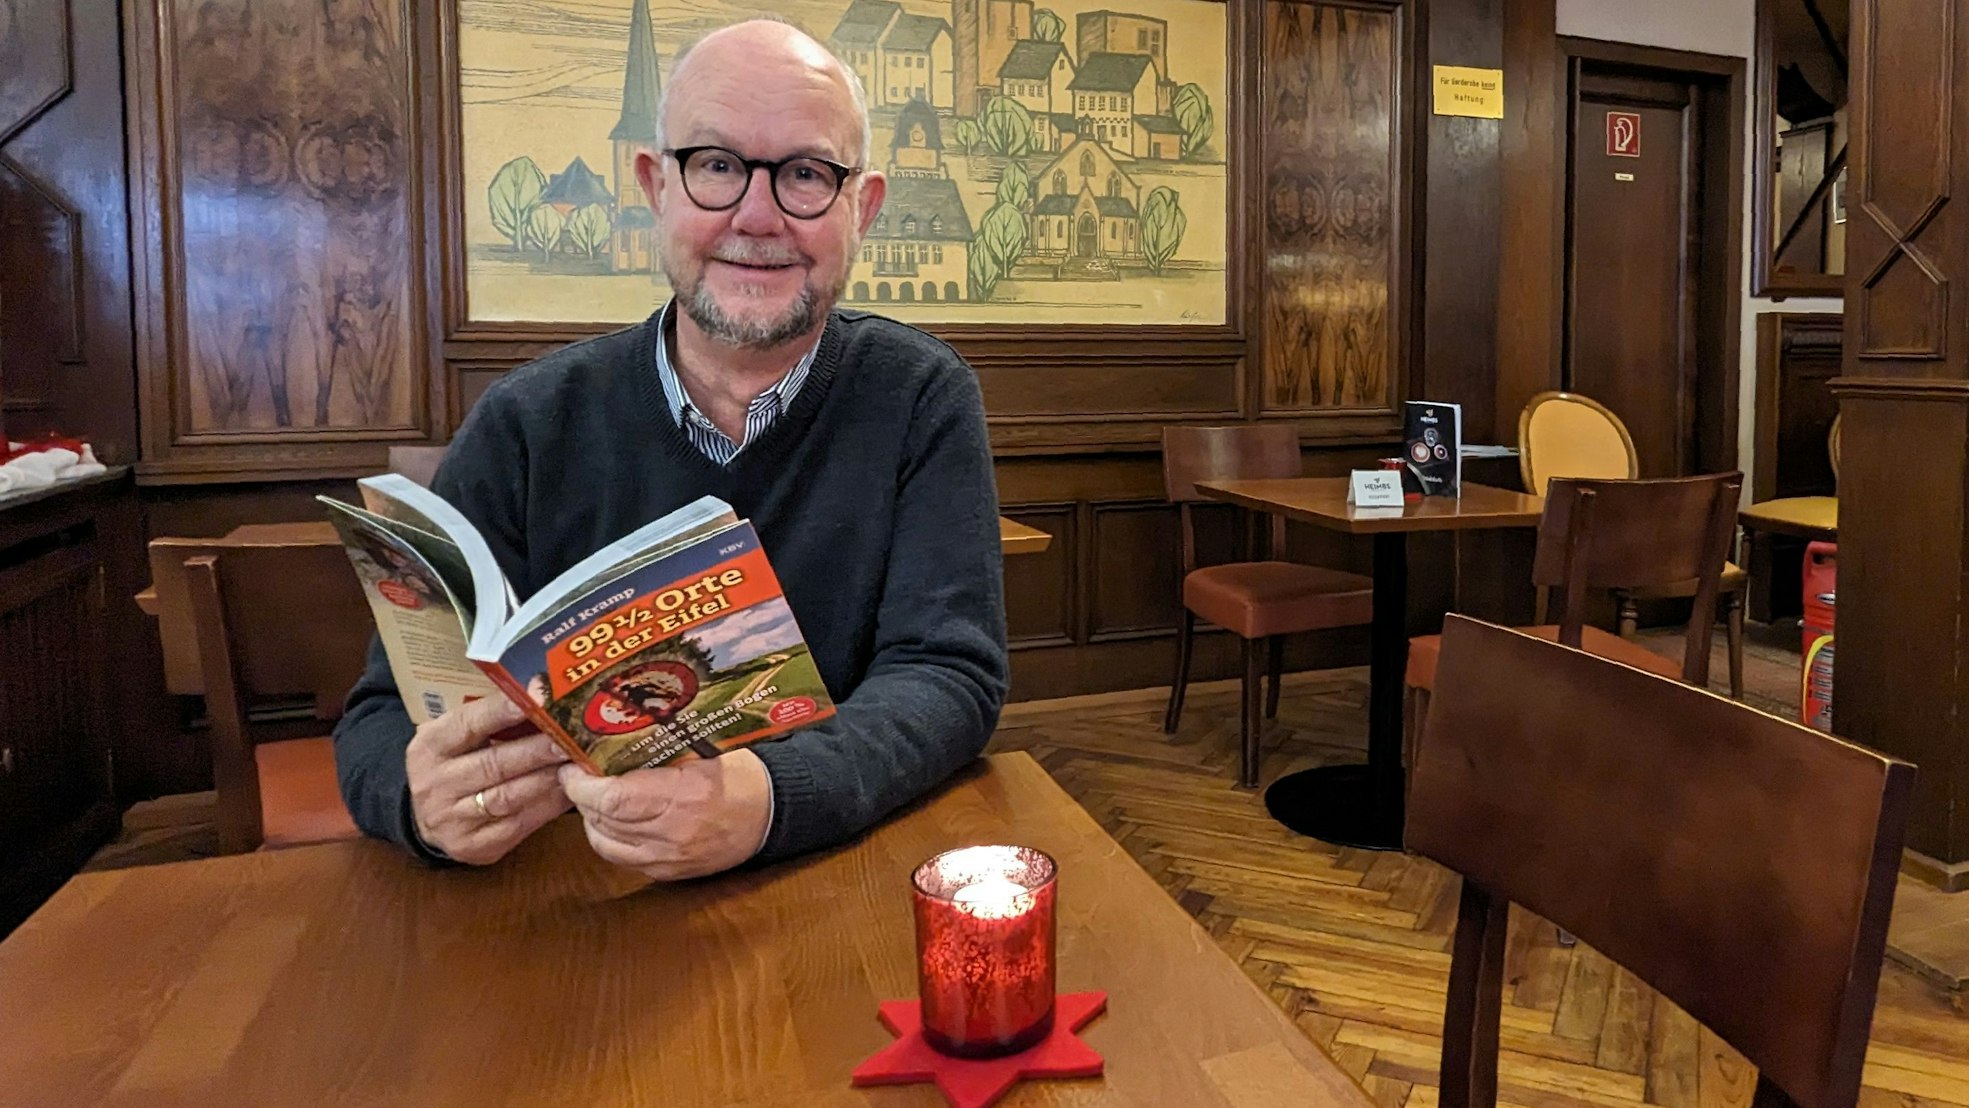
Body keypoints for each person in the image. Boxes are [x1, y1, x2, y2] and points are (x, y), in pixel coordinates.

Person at [332, 18, 1007, 880]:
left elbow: (949, 675)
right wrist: (417, 799)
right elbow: (382, 717)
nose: (756, 217)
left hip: (835, 874)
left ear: (861, 208)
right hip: (568, 904)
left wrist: (768, 798)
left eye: (805, 174)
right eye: (718, 167)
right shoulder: (526, 421)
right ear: (656, 186)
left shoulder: (920, 397)